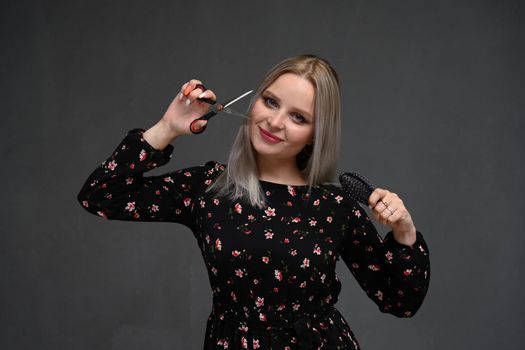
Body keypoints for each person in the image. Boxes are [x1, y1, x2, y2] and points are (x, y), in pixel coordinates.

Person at [77, 54, 430, 350]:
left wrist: (405, 230)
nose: (274, 122)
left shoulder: (334, 206)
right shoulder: (210, 187)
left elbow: (400, 302)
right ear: (254, 100)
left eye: (298, 117)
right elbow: (101, 195)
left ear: (315, 134)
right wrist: (168, 126)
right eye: (270, 101)